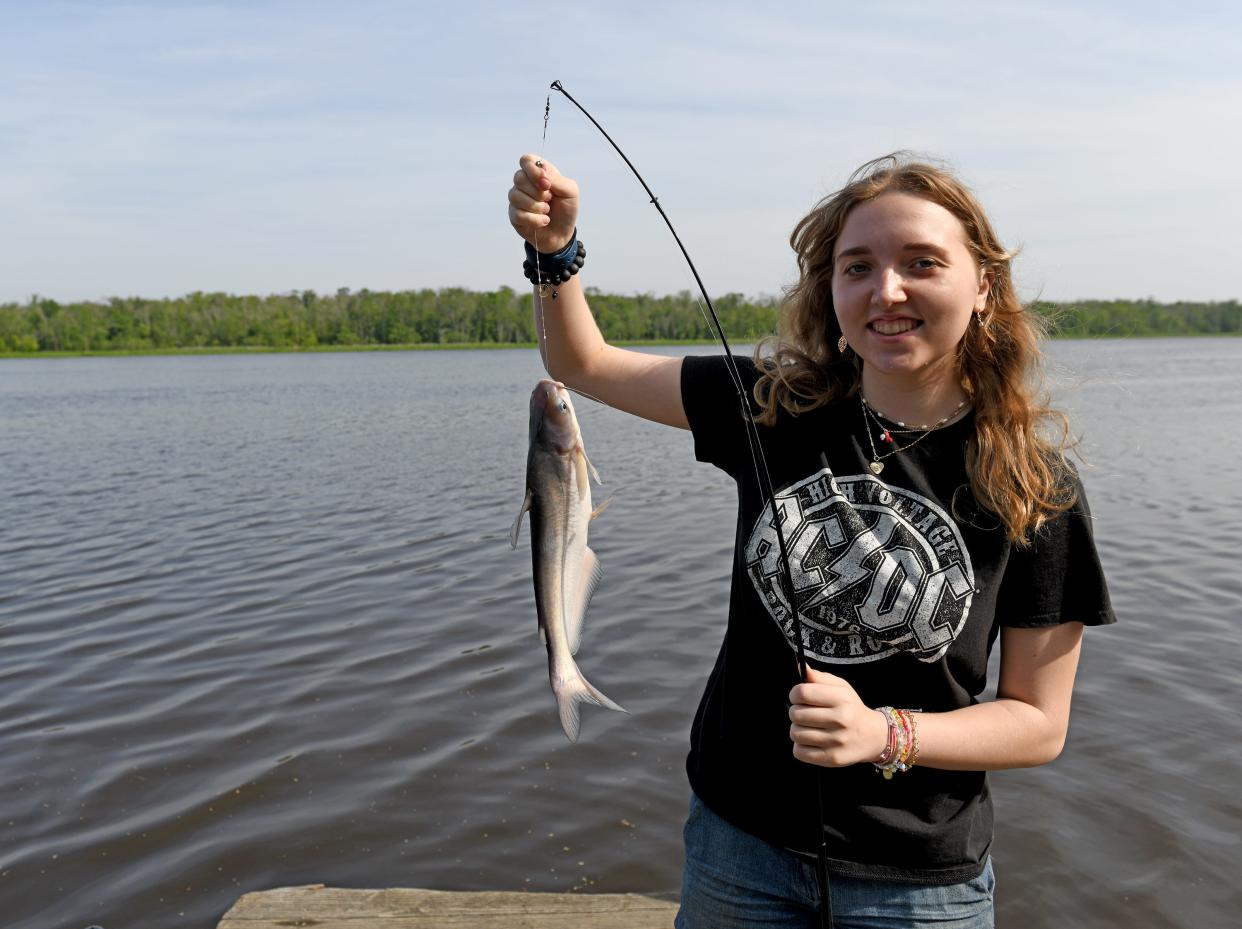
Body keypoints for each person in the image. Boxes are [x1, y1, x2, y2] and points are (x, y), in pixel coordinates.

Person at [506, 152, 1115, 928]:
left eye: (922, 263)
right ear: (831, 291)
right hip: (739, 845)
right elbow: (579, 363)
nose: (886, 290)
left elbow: (1038, 721)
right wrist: (554, 251)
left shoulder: (1038, 487)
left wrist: (883, 733)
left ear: (983, 287)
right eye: (857, 266)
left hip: (920, 882)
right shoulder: (770, 408)